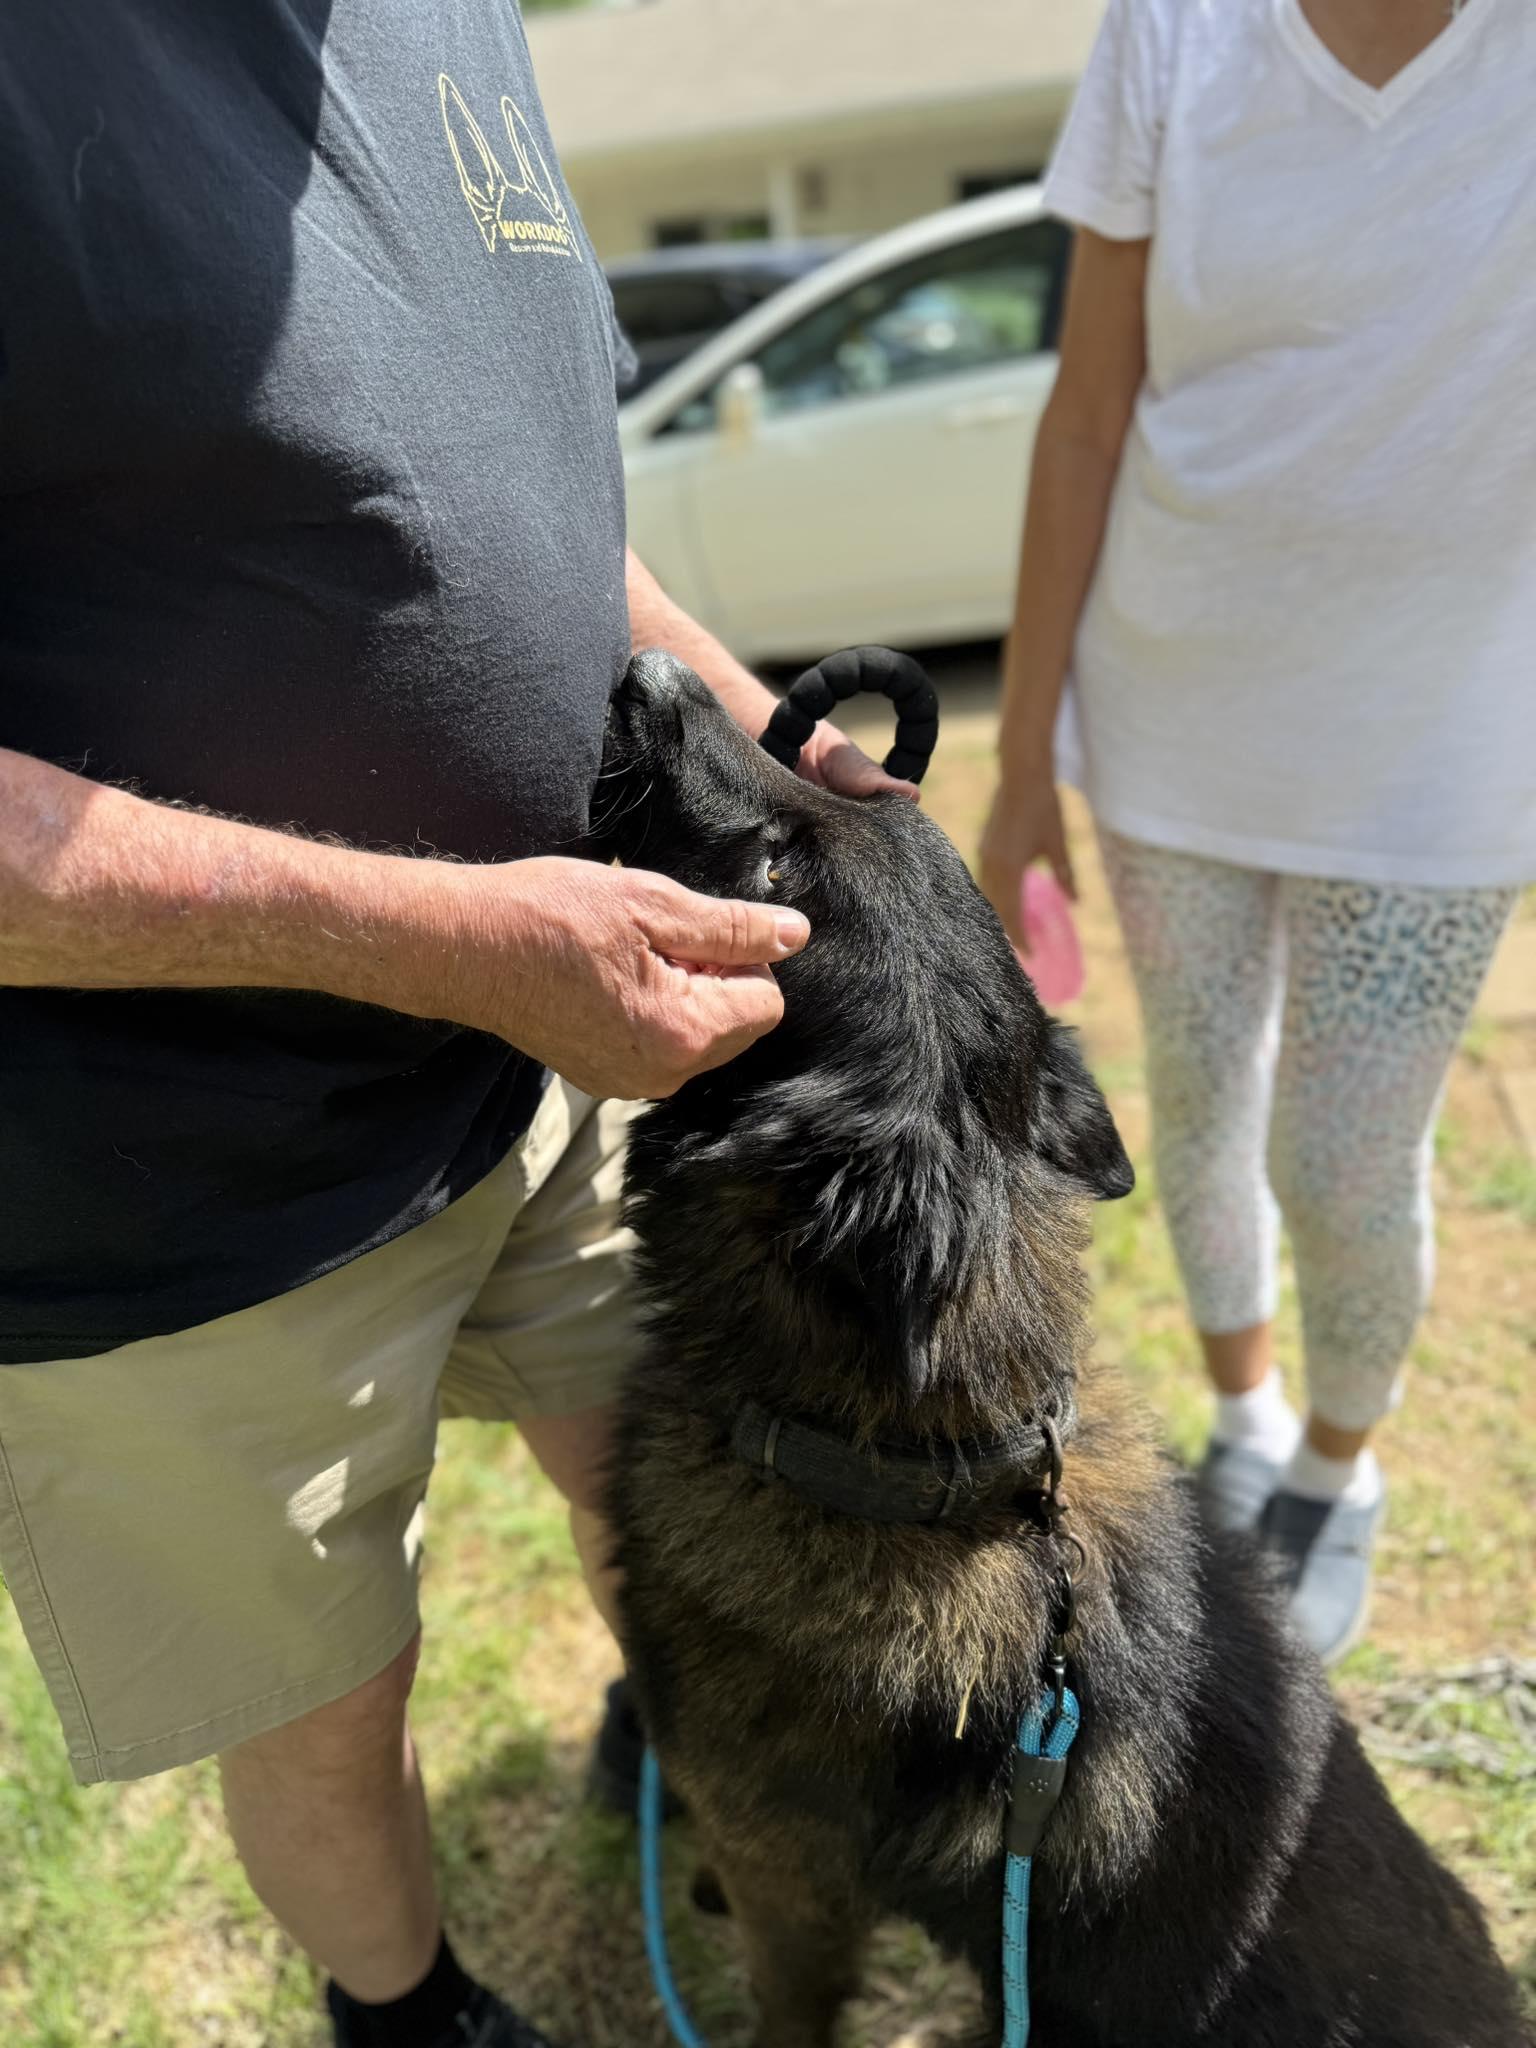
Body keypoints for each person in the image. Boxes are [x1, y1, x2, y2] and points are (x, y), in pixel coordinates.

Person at [0, 10, 909, 2048]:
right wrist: (444, 936)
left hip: (547, 1056)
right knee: (331, 1712)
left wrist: (773, 742)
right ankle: (402, 2007)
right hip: (172, 1189)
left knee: (686, 1513)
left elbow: (541, 498)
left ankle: (668, 1742)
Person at [980, 0, 1534, 1663]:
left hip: (1444, 739)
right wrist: (1021, 767)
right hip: (1177, 714)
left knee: (1349, 1158)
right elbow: (1087, 412)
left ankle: (1340, 1471)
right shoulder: (1174, 29)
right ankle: (1246, 1415)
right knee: (1202, 1099)